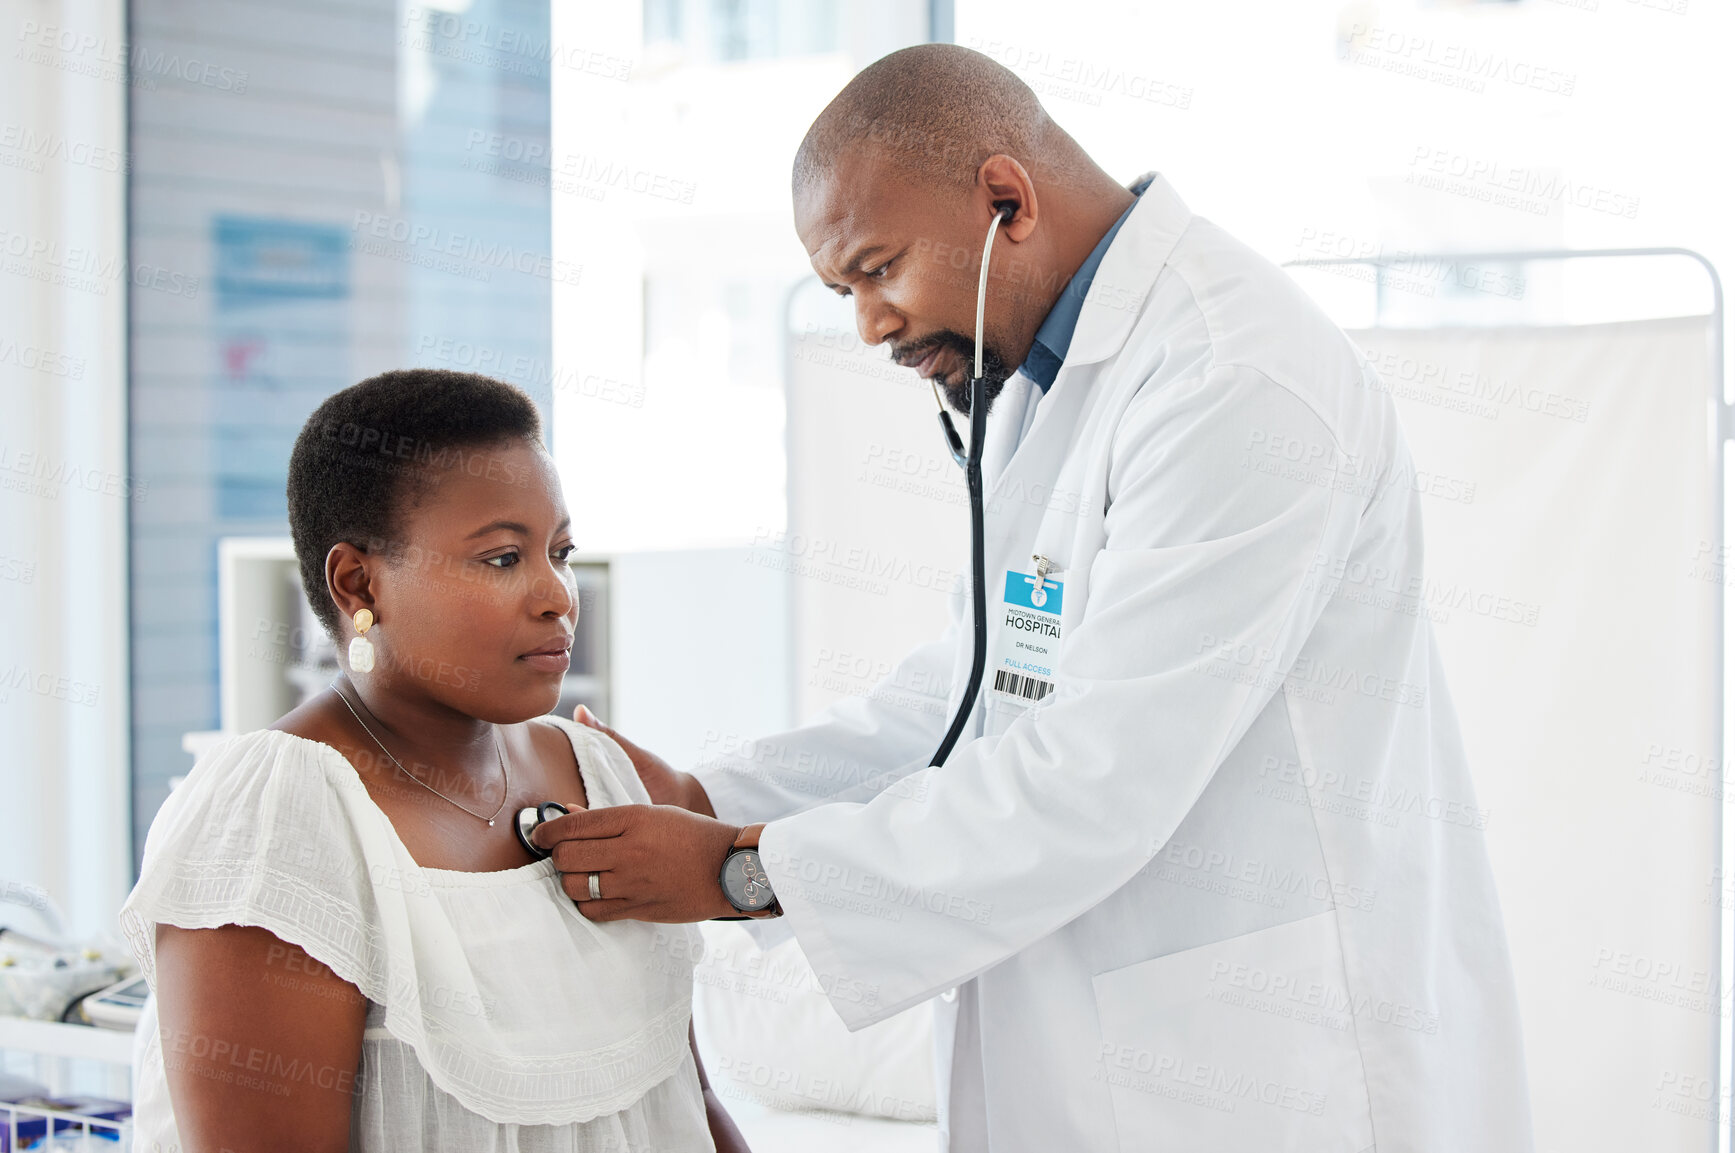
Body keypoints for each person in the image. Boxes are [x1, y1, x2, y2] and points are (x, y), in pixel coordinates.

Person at [533, 43, 1535, 1153]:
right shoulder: (1035, 377)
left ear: (1005, 200)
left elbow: (1101, 773)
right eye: (841, 291)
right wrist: (707, 790)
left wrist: (741, 871)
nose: (867, 324)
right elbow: (975, 693)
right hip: (1119, 1052)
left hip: (1266, 1069)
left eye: (877, 269)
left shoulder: (1234, 378)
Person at [120, 370, 747, 1152]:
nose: (557, 594)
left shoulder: (600, 771)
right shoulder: (280, 817)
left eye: (561, 550)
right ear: (358, 582)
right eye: (500, 558)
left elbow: (691, 1102)